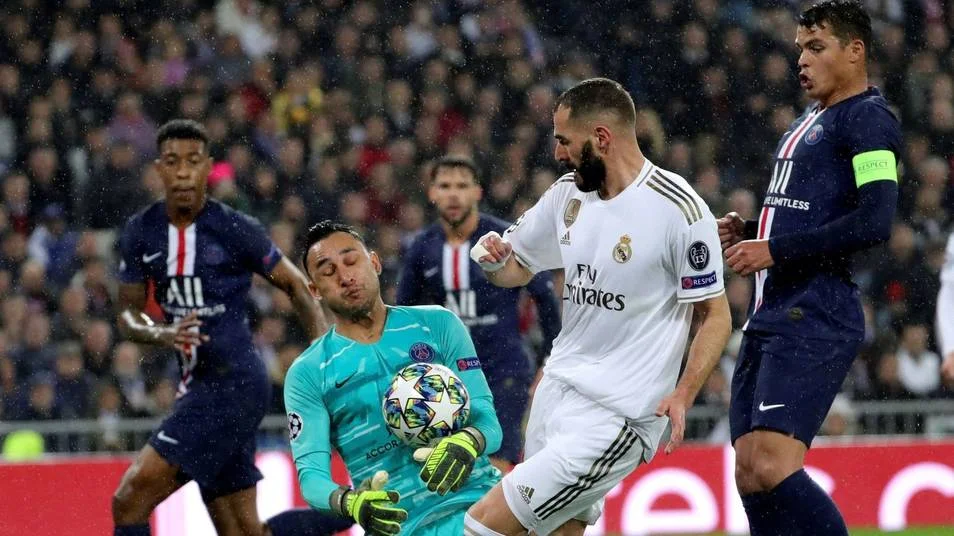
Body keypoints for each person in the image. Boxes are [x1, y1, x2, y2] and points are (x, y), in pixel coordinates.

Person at [465, 77, 732, 536]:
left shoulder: (680, 211)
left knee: (481, 525)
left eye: (564, 141)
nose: (557, 153)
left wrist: (684, 393)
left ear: (602, 138)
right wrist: (494, 261)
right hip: (556, 394)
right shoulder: (567, 195)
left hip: (618, 416)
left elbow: (716, 314)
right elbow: (517, 268)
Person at [111, 120, 353, 536]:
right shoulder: (141, 231)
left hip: (233, 385)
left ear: (208, 167)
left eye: (192, 161)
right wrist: (161, 333)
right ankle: (362, 506)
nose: (183, 172)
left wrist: (324, 359)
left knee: (129, 500)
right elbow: (127, 315)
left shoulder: (234, 228)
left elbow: (296, 286)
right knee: (243, 531)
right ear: (159, 169)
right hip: (198, 384)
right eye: (173, 161)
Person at [717, 3, 902, 534]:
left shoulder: (868, 118)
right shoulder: (808, 120)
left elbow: (875, 221)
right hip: (771, 310)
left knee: (773, 466)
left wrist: (775, 249)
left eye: (816, 47)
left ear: (855, 51)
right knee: (749, 472)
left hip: (815, 310)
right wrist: (755, 229)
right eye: (800, 48)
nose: (801, 59)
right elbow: (809, 213)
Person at [286, 220, 504, 535]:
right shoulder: (307, 373)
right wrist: (350, 502)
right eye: (328, 271)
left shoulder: (438, 324)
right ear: (314, 290)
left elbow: (489, 423)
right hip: (400, 527)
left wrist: (468, 441)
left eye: (351, 261)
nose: (346, 277)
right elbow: (312, 478)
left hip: (478, 508)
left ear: (374, 263)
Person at [396, 155, 561, 472]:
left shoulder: (502, 239)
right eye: (445, 186)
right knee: (451, 467)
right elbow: (404, 314)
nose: (453, 194)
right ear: (432, 193)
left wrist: (548, 359)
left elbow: (544, 295)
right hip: (446, 377)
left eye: (462, 186)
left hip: (503, 370)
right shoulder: (421, 248)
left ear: (477, 192)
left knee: (496, 462)